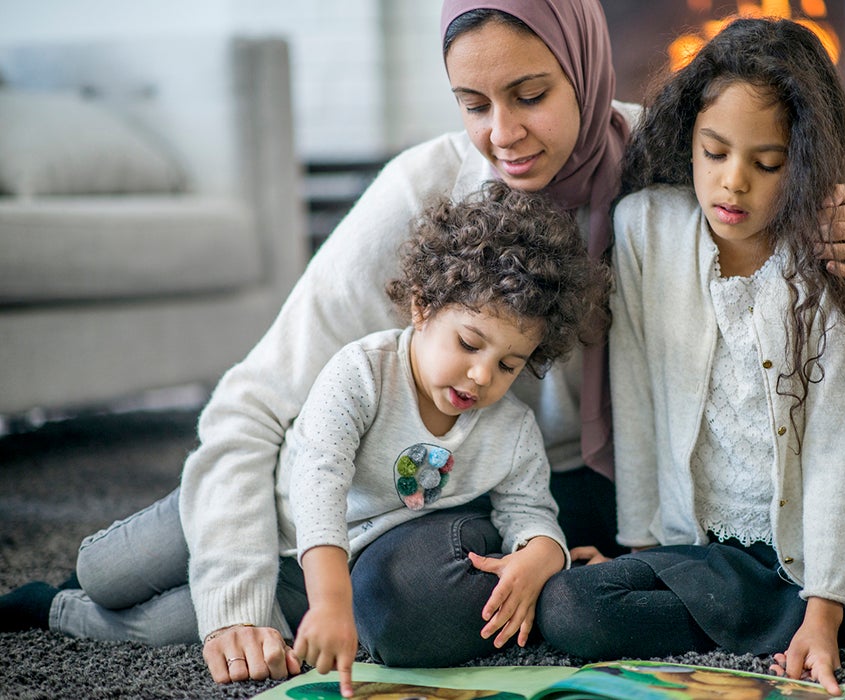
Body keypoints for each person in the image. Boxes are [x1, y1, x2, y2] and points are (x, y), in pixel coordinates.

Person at [1, 0, 845, 688]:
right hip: (408, 456)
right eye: (473, 104)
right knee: (231, 572)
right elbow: (257, 407)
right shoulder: (424, 190)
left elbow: (785, 194)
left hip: (566, 474)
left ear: (586, 67)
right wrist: (237, 588)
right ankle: (75, 597)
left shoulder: (667, 161)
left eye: (532, 94)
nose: (502, 131)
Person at [535, 17, 845, 696]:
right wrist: (645, 550)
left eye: (767, 163)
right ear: (688, 135)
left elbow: (840, 446)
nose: (733, 183)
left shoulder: (830, 253)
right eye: (714, 152)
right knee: (572, 608)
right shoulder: (645, 229)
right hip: (723, 550)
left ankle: (840, 614)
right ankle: (836, 620)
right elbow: (638, 392)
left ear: (802, 162)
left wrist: (825, 600)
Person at [0, 181, 609, 699]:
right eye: (470, 344)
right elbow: (319, 481)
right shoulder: (363, 372)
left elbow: (532, 509)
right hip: (257, 516)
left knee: (162, 627)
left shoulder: (511, 432)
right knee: (103, 571)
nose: (482, 376)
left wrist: (541, 554)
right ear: (423, 307)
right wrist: (334, 601)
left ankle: (51, 609)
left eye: (508, 365)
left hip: (301, 581)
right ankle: (80, 580)